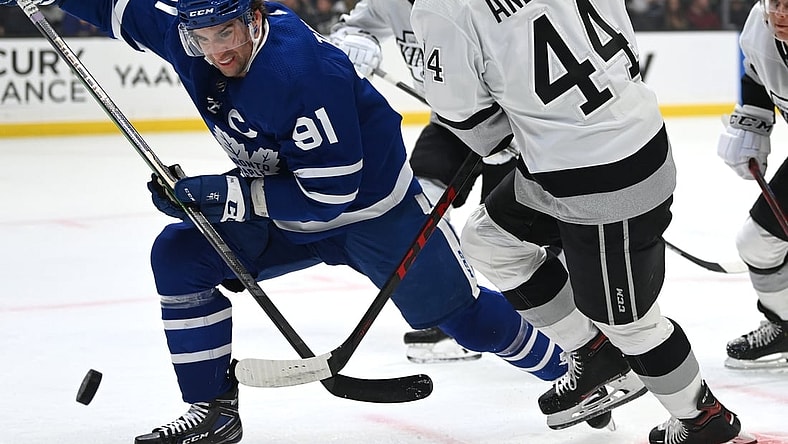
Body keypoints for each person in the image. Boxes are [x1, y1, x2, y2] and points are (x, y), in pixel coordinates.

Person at [2, 0, 569, 442]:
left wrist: (218, 194)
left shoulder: (298, 72)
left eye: (225, 33)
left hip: (376, 215)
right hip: (282, 213)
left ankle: (576, 370)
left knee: (463, 319)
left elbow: (329, 196)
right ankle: (212, 413)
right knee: (180, 258)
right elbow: (120, 8)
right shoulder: (193, 33)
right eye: (200, 38)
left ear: (251, 18)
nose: (215, 50)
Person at [411, 1, 756, 443]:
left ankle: (703, 420)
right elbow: (623, 41)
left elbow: (469, 121)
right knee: (490, 241)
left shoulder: (440, 9)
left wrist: (513, 129)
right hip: (617, 143)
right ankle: (594, 352)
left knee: (627, 321)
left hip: (597, 179)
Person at [328, 0, 518, 364]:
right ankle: (454, 317)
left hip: (514, 126)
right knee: (418, 214)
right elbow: (347, 32)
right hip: (450, 124)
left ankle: (555, 321)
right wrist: (357, 41)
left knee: (514, 234)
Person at [716, 0, 788, 371]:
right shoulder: (759, 31)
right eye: (775, 3)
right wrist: (752, 124)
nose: (781, 15)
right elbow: (756, 76)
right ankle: (785, 324)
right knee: (757, 243)